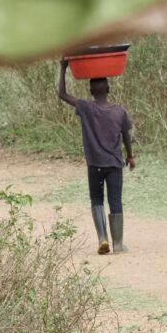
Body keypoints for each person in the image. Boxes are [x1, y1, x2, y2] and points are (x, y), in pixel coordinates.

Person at [57, 59, 134, 254]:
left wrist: (63, 67)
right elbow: (126, 135)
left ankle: (102, 239)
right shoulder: (119, 111)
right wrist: (130, 156)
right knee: (115, 200)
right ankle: (117, 244)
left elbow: (62, 94)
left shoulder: (85, 107)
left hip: (95, 165)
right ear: (108, 89)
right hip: (115, 164)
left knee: (96, 199)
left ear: (91, 92)